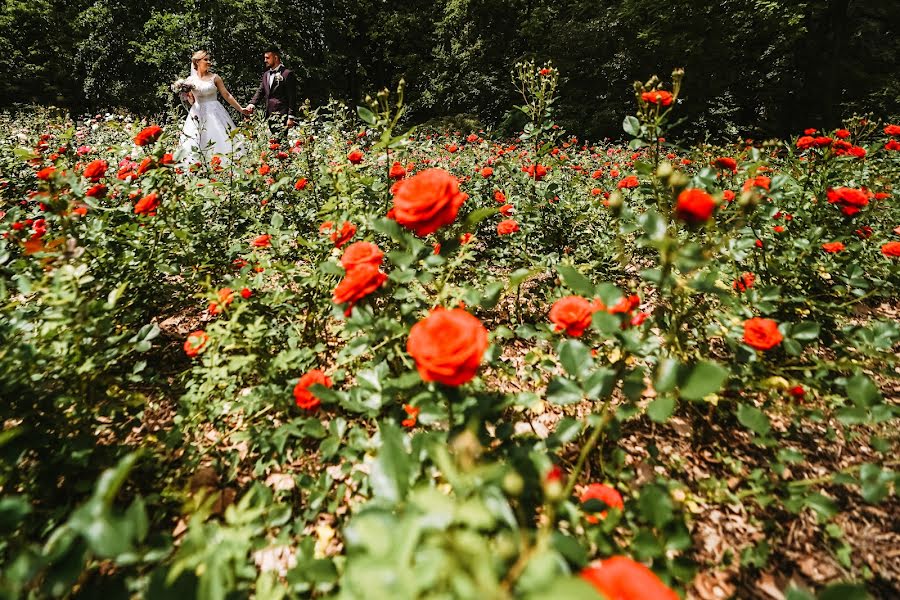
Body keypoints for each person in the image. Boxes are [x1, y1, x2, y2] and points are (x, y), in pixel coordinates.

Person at [177, 50, 246, 166]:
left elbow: (226, 95)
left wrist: (241, 109)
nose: (209, 62)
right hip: (197, 113)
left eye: (209, 60)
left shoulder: (215, 78)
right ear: (197, 62)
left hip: (215, 112)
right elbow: (192, 101)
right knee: (197, 139)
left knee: (219, 137)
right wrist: (187, 95)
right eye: (206, 60)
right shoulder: (190, 81)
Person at [245, 46, 297, 141]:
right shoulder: (266, 74)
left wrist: (291, 116)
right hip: (269, 115)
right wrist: (252, 104)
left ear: (276, 58)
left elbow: (292, 97)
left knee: (281, 143)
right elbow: (261, 91)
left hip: (283, 115)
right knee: (273, 143)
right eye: (264, 58)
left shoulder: (287, 74)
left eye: (267, 58)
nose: (265, 60)